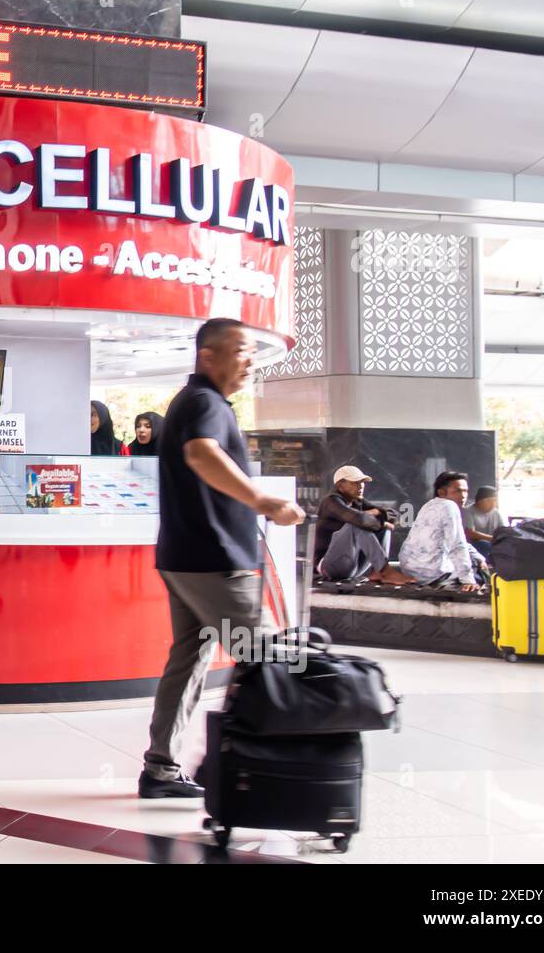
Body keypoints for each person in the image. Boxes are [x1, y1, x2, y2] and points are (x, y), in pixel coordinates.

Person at [140, 318, 304, 800]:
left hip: (188, 558)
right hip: (214, 562)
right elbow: (201, 454)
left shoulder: (198, 403)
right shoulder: (204, 403)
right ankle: (250, 772)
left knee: (189, 659)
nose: (249, 360)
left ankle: (162, 767)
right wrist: (263, 500)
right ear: (208, 356)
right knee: (265, 659)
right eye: (240, 350)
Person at [315, 465, 411, 584]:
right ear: (340, 485)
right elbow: (358, 519)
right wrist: (380, 521)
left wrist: (378, 516)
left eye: (362, 482)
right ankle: (386, 570)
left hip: (353, 566)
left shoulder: (357, 501)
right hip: (328, 567)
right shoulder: (331, 502)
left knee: (383, 528)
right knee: (356, 525)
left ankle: (378, 571)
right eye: (355, 482)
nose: (360, 486)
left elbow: (393, 515)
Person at [398, 472, 486, 591]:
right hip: (432, 575)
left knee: (474, 558)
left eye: (465, 491)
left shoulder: (429, 505)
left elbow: (457, 540)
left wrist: (478, 556)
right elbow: (457, 545)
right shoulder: (449, 506)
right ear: (441, 492)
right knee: (479, 572)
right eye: (458, 491)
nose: (463, 496)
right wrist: (468, 580)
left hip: (411, 571)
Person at [463, 485, 504, 559]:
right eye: (489, 501)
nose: (492, 504)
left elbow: (503, 530)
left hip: (493, 543)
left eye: (494, 501)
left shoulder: (496, 512)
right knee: (483, 544)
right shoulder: (467, 511)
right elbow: (470, 533)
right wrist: (492, 538)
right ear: (479, 501)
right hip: (474, 546)